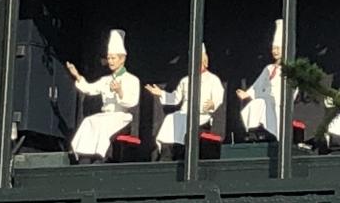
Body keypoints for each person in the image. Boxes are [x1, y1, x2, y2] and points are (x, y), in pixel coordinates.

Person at [66, 29, 141, 163]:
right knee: (89, 121)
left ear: (122, 59)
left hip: (121, 117)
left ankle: (101, 158)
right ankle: (84, 157)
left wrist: (119, 91)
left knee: (102, 124)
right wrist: (77, 75)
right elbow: (90, 89)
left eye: (113, 58)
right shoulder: (105, 80)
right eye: (109, 58)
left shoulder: (131, 79)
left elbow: (132, 101)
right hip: (106, 115)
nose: (110, 61)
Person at [145, 43, 225, 159]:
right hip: (184, 113)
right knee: (170, 119)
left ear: (205, 61)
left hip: (201, 116)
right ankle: (167, 154)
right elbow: (176, 98)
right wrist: (160, 93)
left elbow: (218, 96)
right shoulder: (185, 80)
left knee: (188, 121)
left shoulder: (213, 79)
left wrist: (212, 104)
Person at [236, 19, 286, 141]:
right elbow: (258, 84)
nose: (275, 51)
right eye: (273, 48)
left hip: (277, 99)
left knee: (263, 103)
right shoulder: (269, 68)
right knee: (257, 103)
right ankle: (254, 130)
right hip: (265, 97)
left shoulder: (288, 69)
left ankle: (269, 131)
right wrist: (247, 94)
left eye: (278, 48)